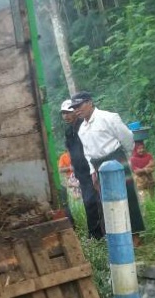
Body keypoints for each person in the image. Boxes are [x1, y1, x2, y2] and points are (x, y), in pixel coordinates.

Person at [69, 91, 145, 244]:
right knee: (108, 201)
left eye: (79, 105)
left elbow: (127, 137)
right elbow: (88, 153)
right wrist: (92, 172)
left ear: (89, 102)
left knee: (128, 196)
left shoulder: (108, 117)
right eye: (74, 107)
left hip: (115, 158)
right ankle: (118, 236)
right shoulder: (82, 129)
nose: (77, 110)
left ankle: (135, 236)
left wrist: (124, 156)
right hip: (98, 165)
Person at [61, 99, 105, 240]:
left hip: (90, 169)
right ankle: (95, 234)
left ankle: (98, 234)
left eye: (68, 112)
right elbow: (70, 150)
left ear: (75, 111)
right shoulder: (69, 131)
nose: (66, 116)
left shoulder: (83, 126)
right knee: (89, 202)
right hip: (80, 172)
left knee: (94, 201)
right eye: (63, 113)